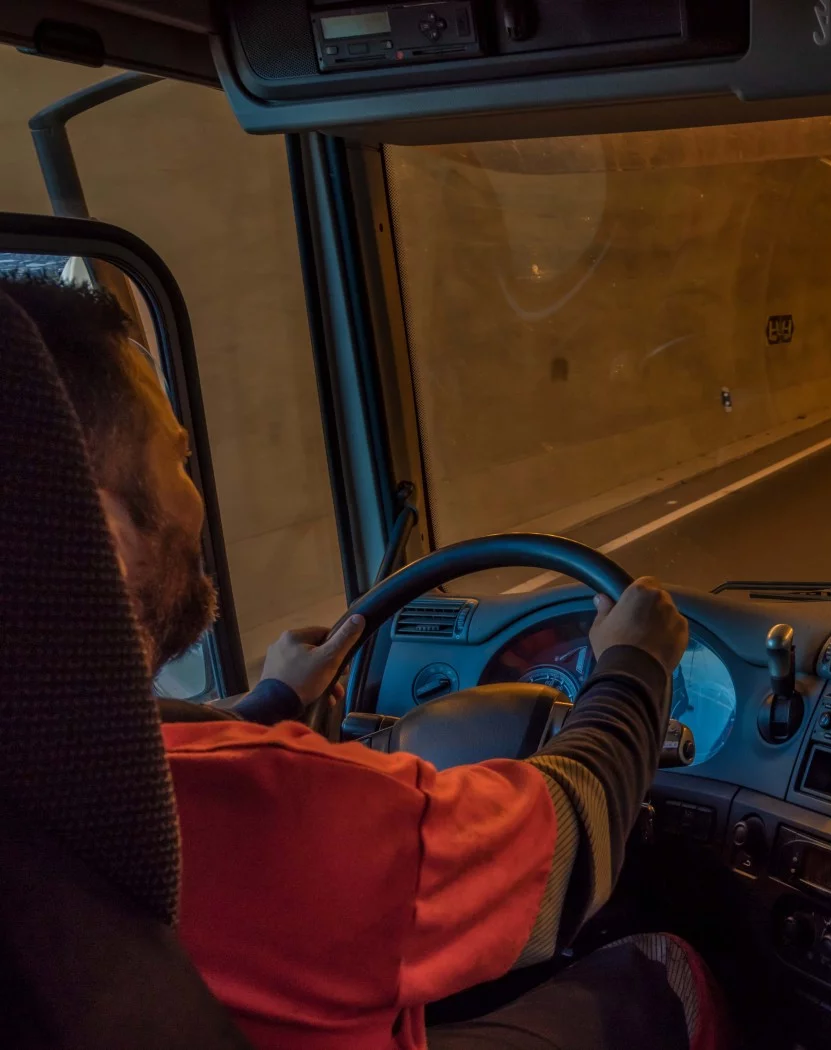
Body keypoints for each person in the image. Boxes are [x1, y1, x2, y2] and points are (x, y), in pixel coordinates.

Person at [1, 273, 726, 1050]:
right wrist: (634, 672)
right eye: (178, 461)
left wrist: (270, 703)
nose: (199, 495)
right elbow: (569, 847)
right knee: (664, 972)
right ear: (103, 535)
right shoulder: (268, 803)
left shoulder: (50, 791)